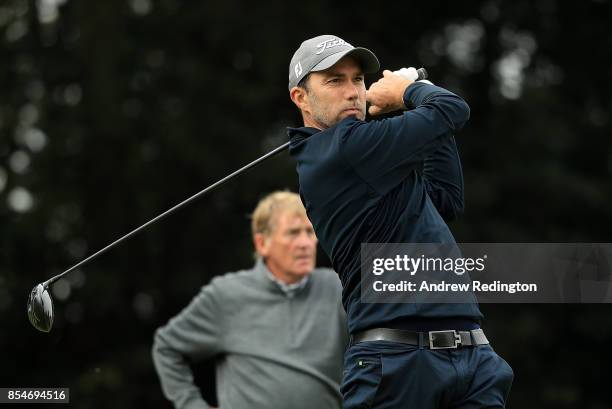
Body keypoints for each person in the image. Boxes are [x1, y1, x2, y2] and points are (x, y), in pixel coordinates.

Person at [287, 35, 513, 409]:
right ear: (301, 98)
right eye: (334, 80)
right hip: (396, 364)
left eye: (357, 80)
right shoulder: (338, 150)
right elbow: (452, 109)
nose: (352, 92)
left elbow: (444, 200)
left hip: (471, 357)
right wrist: (411, 90)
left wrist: (411, 105)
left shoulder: (367, 154)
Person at [152, 191, 347, 409]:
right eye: (293, 233)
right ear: (262, 243)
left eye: (310, 232)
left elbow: (389, 279)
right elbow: (167, 347)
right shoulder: (226, 294)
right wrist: (192, 405)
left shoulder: (338, 286)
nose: (305, 243)